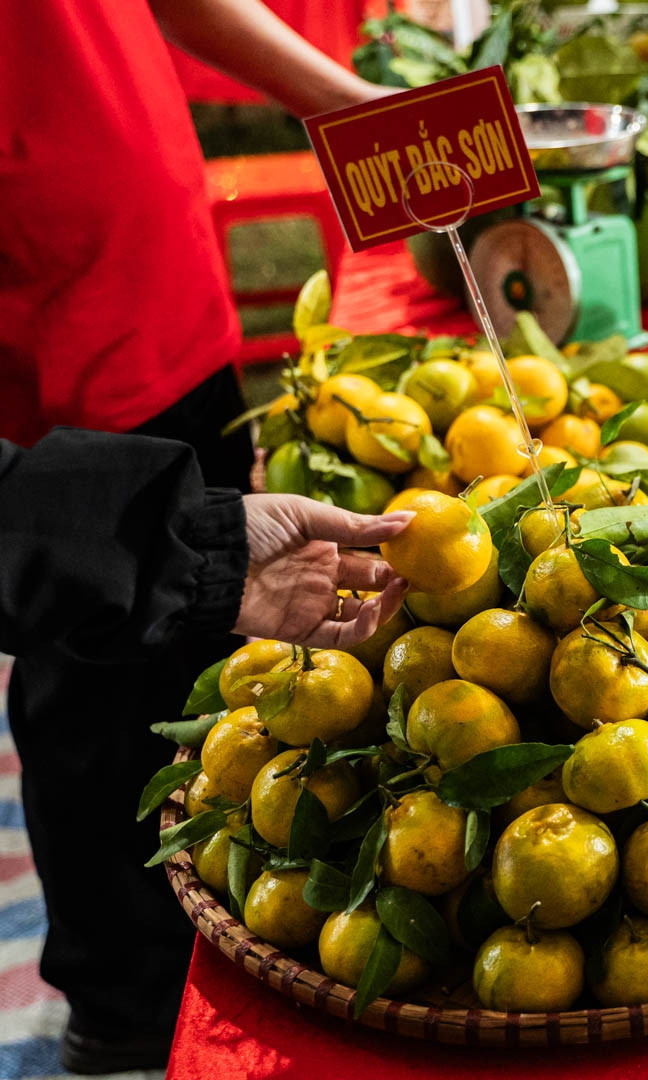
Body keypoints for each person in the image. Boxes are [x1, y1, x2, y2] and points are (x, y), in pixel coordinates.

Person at [1, 0, 391, 1071]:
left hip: (157, 269)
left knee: (196, 661)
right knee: (96, 682)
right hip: (54, 317)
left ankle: (190, 968)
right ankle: (121, 1006)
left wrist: (347, 106)